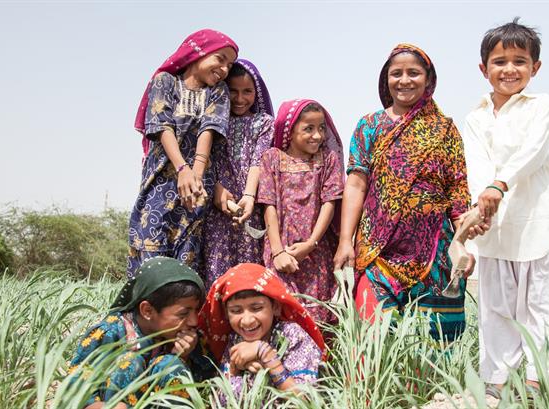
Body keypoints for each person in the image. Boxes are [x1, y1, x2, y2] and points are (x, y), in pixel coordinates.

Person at [462, 18, 549, 397]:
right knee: (496, 307)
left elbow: (534, 152)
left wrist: (499, 184)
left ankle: (539, 381)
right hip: (495, 226)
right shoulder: (476, 116)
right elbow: (476, 165)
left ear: (535, 68)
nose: (509, 69)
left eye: (519, 61)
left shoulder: (542, 106)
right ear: (484, 69)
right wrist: (479, 208)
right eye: (499, 62)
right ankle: (496, 381)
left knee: (546, 305)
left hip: (536, 221)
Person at [333, 44, 474, 342]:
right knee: (373, 339)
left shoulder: (445, 129)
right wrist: (346, 240)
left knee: (430, 344)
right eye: (396, 73)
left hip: (433, 253)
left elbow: (457, 190)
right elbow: (356, 184)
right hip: (376, 251)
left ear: (428, 79)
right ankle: (370, 390)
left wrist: (462, 243)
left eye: (414, 73)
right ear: (386, 79)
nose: (404, 80)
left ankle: (427, 391)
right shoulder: (369, 126)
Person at [127, 29, 238, 278]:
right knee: (150, 247)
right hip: (161, 182)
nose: (224, 69)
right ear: (198, 52)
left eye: (229, 65)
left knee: (186, 255)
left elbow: (210, 128)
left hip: (197, 187)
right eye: (219, 59)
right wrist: (182, 169)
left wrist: (196, 175)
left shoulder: (218, 92)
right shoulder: (165, 82)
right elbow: (161, 126)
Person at [68, 257, 215, 408]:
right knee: (131, 361)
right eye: (183, 314)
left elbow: (207, 383)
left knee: (170, 364)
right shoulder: (109, 333)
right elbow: (75, 390)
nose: (194, 321)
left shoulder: (189, 336)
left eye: (196, 311)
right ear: (147, 310)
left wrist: (183, 356)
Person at [256, 99, 344, 322]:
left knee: (316, 315)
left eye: (321, 128)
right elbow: (269, 206)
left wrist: (311, 244)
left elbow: (329, 202)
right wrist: (277, 252)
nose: (317, 135)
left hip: (316, 252)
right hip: (280, 249)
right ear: (289, 130)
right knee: (282, 311)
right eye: (308, 128)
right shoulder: (272, 158)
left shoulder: (328, 160)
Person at [199, 263, 325, 404]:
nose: (247, 321)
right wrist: (234, 370)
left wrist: (266, 354)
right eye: (236, 311)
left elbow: (306, 400)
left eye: (257, 308)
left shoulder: (292, 335)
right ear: (227, 313)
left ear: (275, 307)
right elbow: (222, 400)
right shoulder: (235, 340)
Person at [203, 59, 274, 289]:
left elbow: (258, 161)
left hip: (248, 208)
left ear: (257, 92)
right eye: (232, 91)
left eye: (247, 91)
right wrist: (217, 190)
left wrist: (249, 197)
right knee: (216, 266)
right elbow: (207, 159)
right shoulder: (212, 121)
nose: (240, 98)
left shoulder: (263, 123)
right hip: (216, 206)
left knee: (249, 272)